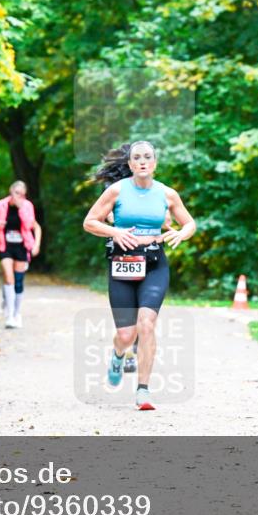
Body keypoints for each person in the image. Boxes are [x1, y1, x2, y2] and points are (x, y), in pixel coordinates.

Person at [83, 140, 196, 410]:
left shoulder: (167, 194)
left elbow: (190, 222)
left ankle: (143, 390)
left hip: (155, 264)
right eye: (137, 158)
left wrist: (181, 233)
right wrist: (116, 232)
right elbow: (90, 222)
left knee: (146, 325)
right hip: (122, 264)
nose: (143, 161)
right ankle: (118, 354)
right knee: (125, 334)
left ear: (155, 163)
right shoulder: (116, 191)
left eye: (148, 157)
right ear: (130, 164)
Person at [0, 181, 41, 328]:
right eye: (17, 193)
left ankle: (17, 313)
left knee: (18, 280)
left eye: (23, 194)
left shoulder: (27, 206)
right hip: (5, 246)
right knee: (9, 278)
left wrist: (36, 245)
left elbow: (32, 225)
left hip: (22, 246)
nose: (20, 196)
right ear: (11, 191)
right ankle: (10, 316)